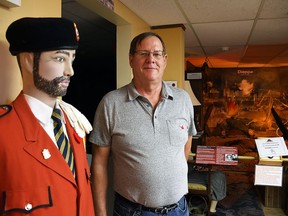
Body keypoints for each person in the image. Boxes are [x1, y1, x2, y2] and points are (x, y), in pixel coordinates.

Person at [89, 31, 197, 216]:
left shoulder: (183, 99)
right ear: (131, 59)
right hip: (133, 211)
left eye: (156, 54)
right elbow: (99, 163)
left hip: (179, 209)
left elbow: (185, 146)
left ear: (164, 60)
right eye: (143, 53)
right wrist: (100, 212)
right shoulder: (111, 104)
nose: (151, 59)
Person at [0, 17, 95, 215]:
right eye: (60, 58)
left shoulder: (73, 122)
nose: (70, 71)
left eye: (72, 59)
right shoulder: (3, 132)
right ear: (28, 61)